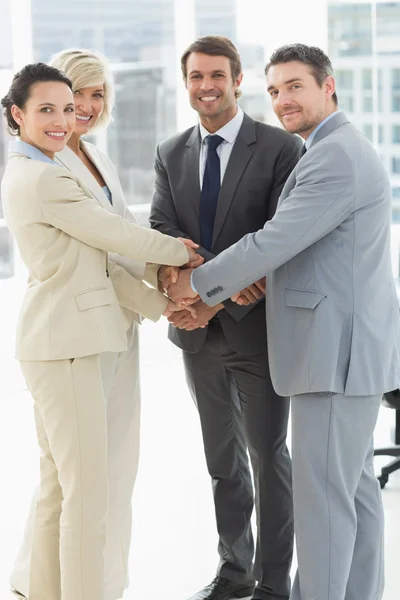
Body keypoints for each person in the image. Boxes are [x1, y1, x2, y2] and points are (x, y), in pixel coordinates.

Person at [169, 44, 400, 600]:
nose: (282, 100)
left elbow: (273, 241)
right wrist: (215, 299)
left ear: (329, 86)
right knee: (354, 494)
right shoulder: (333, 148)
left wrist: (197, 287)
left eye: (295, 86)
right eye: (274, 90)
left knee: (323, 503)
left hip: (332, 357)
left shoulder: (333, 155)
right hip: (351, 352)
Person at [1, 62, 199, 600]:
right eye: (48, 109)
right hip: (70, 345)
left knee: (59, 491)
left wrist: (159, 302)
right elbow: (113, 233)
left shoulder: (42, 166)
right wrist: (182, 253)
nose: (65, 119)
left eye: (69, 108)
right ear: (16, 115)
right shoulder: (42, 175)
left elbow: (101, 263)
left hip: (64, 342)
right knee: (86, 498)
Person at [150, 36, 302, 600]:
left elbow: (277, 239)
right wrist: (190, 291)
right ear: (186, 82)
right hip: (198, 335)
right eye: (196, 77)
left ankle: (273, 582)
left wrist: (209, 290)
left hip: (257, 329)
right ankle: (234, 571)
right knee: (223, 462)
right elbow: (163, 230)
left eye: (218, 75)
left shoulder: (280, 148)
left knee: (268, 458)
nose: (207, 86)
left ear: (238, 80)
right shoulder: (170, 151)